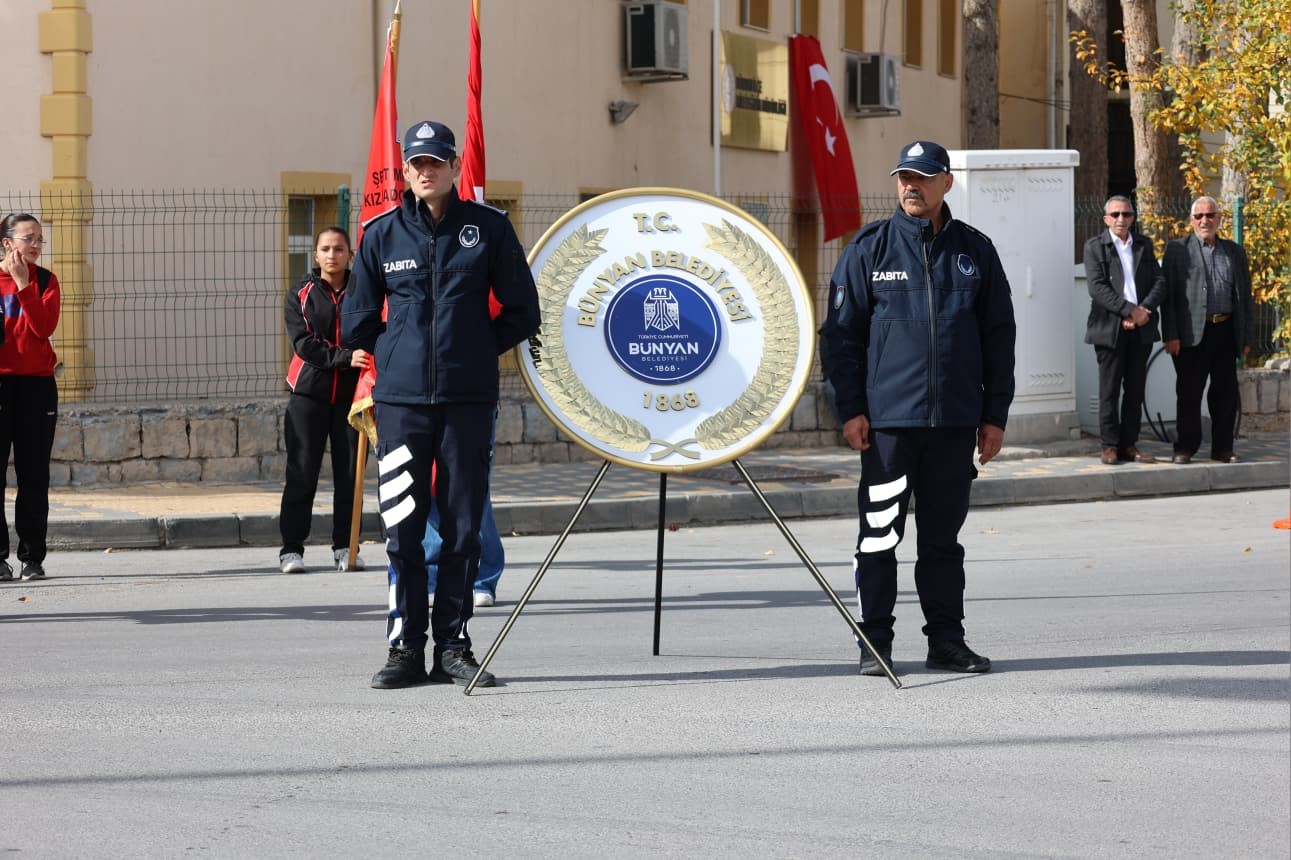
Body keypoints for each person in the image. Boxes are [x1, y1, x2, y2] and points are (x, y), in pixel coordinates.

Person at [342, 120, 540, 690]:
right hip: (401, 404)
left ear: (455, 167)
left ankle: (454, 647)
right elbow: (357, 320)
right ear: (405, 171)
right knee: (402, 531)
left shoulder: (490, 228)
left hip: (467, 401)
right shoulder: (381, 234)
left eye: (436, 162)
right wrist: (394, 354)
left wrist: (474, 349)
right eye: (417, 163)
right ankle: (404, 649)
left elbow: (524, 310)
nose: (426, 171)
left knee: (461, 530)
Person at [823, 140, 1015, 677]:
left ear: (946, 183)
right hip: (887, 428)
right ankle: (875, 644)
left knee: (942, 543)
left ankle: (946, 643)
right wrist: (850, 409)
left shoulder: (975, 251)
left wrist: (994, 415)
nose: (913, 186)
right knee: (879, 536)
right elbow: (840, 338)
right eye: (905, 177)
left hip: (953, 425)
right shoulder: (869, 249)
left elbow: (999, 337)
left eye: (924, 177)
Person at [278, 227, 371, 574]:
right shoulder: (299, 294)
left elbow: (374, 331)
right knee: (302, 472)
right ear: (316, 255)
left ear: (350, 254)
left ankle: (346, 547)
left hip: (353, 397)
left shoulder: (365, 291)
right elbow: (304, 343)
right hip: (308, 395)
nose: (332, 255)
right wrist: (345, 357)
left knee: (350, 475)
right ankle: (291, 550)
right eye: (326, 249)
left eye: (339, 249)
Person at [1160, 196, 1254, 464]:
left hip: (1225, 331)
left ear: (1219, 219)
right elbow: (1168, 298)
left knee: (1225, 394)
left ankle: (1222, 448)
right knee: (1189, 394)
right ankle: (1185, 448)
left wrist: (1246, 336)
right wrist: (1170, 334)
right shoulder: (1177, 250)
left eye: (1210, 215)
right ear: (1191, 220)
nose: (1205, 221)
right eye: (1199, 216)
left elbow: (1245, 297)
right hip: (1190, 335)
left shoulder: (1234, 252)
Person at [1082, 195, 1166, 465]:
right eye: (1115, 214)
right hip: (1110, 328)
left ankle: (1129, 444)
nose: (1121, 219)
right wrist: (1128, 311)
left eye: (1126, 214)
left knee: (1135, 390)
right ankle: (1109, 445)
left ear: (1133, 218)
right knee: (1109, 390)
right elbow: (1097, 287)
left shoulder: (1144, 245)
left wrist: (1143, 311)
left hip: (1141, 327)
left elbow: (1159, 281)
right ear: (1106, 219)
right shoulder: (1095, 247)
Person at [0, 214, 61, 583]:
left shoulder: (45, 281)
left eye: (40, 239)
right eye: (29, 238)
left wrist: (24, 285)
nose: (36, 245)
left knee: (34, 475)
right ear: (7, 242)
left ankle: (32, 558)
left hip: (37, 387)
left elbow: (44, 328)